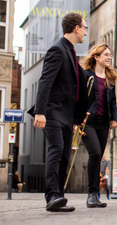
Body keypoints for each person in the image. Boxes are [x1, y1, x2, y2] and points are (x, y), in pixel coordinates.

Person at [33, 13, 88, 212]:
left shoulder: (70, 52)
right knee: (56, 151)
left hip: (66, 116)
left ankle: (59, 197)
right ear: (76, 28)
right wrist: (40, 112)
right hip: (52, 113)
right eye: (84, 27)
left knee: (64, 156)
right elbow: (45, 82)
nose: (85, 32)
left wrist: (77, 117)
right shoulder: (57, 50)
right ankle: (52, 196)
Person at [80, 43, 117, 208]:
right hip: (88, 121)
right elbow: (80, 98)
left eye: (110, 55)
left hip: (104, 122)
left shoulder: (110, 78)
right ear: (96, 57)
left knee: (98, 155)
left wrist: (114, 118)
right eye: (106, 55)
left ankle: (95, 196)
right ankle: (91, 194)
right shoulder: (86, 75)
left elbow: (113, 101)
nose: (109, 57)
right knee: (95, 153)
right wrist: (78, 118)